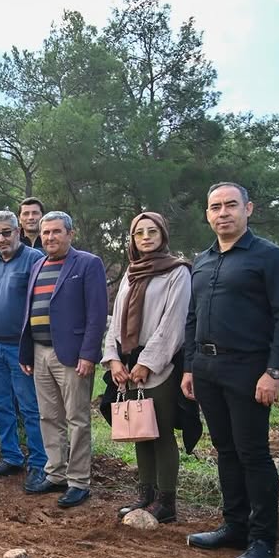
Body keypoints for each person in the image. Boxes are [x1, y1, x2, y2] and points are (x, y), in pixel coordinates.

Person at [183, 182, 279, 558]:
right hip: (206, 368)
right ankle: (234, 525)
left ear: (248, 208)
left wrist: (274, 371)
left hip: (249, 369)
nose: (223, 213)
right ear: (207, 215)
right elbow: (193, 318)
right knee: (226, 451)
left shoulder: (271, 258)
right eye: (215, 207)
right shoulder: (201, 261)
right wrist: (189, 367)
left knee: (253, 453)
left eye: (231, 205)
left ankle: (263, 538)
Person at [103, 212, 191, 523]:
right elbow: (116, 319)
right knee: (139, 430)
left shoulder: (177, 272)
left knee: (160, 432)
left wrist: (147, 363)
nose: (145, 237)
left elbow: (173, 323)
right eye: (139, 233)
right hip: (126, 365)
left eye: (152, 231)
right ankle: (146, 495)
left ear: (163, 234)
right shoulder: (131, 272)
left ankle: (166, 502)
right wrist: (114, 358)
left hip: (158, 365)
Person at [20, 211, 108, 508]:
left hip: (71, 355)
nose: (50, 237)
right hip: (40, 351)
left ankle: (79, 481)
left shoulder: (87, 263)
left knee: (77, 419)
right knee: (49, 416)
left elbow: (97, 314)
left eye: (56, 232)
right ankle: (55, 473)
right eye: (45, 233)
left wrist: (88, 354)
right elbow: (30, 311)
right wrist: (26, 350)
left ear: (70, 234)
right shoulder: (37, 265)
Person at [0, 212, 46, 491]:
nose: (1, 239)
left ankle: (39, 464)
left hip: (20, 347)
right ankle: (11, 456)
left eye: (6, 232)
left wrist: (31, 346)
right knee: (1, 404)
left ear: (18, 231)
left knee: (29, 406)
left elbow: (40, 306)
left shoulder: (35, 259)